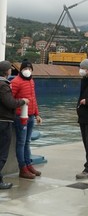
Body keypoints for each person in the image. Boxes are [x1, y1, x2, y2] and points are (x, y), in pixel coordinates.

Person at [11, 59, 43, 179]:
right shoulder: (16, 82)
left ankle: (28, 164)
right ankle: (22, 168)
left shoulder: (31, 81)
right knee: (21, 143)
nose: (27, 71)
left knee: (27, 142)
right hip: (20, 117)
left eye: (29, 69)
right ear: (21, 70)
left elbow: (33, 99)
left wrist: (37, 114)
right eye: (25, 69)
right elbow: (11, 100)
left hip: (30, 117)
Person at [0, 60, 29, 189]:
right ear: (7, 71)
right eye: (10, 69)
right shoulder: (3, 85)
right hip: (4, 122)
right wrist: (22, 101)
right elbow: (9, 103)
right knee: (2, 154)